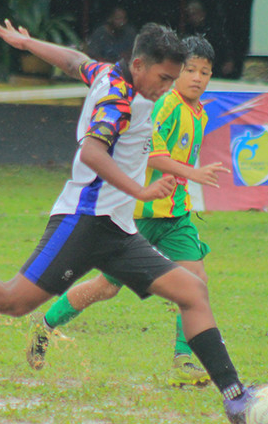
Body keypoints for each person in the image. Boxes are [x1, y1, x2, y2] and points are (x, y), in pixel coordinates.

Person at [0, 19, 258, 424]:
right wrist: (140, 192)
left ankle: (235, 398)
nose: (168, 86)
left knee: (192, 292)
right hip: (83, 221)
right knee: (14, 301)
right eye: (164, 77)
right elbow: (93, 155)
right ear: (138, 65)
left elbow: (73, 61)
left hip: (117, 229)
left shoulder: (105, 72)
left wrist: (27, 43)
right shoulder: (118, 100)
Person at [25, 35, 230, 386]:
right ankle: (45, 325)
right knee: (105, 288)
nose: (197, 77)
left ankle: (184, 359)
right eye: (190, 70)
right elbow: (151, 154)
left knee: (196, 281)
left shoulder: (200, 113)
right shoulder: (162, 105)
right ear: (175, 73)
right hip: (138, 214)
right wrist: (190, 173)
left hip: (175, 216)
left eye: (205, 72)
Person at [185, 0, 235, 78]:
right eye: (189, 15)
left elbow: (225, 45)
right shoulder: (188, 30)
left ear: (202, 14)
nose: (192, 17)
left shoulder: (214, 29)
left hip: (215, 66)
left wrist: (228, 61)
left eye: (194, 14)